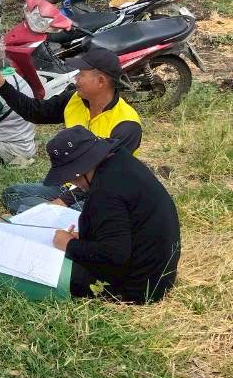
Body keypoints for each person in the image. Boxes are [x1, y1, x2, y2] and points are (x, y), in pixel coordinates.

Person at [0, 47, 142, 214]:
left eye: (81, 74)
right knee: (13, 194)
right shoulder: (75, 99)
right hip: (70, 183)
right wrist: (1, 84)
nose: (76, 79)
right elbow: (36, 112)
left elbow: (105, 177)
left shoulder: (126, 124)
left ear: (100, 81)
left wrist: (63, 201)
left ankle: (49, 218)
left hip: (102, 195)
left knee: (80, 213)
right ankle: (50, 219)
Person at [39, 126, 180, 304]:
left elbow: (115, 255)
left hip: (137, 288)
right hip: (160, 275)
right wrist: (87, 238)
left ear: (80, 168)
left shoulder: (104, 192)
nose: (72, 183)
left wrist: (69, 244)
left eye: (71, 176)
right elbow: (124, 225)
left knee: (44, 269)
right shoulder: (121, 161)